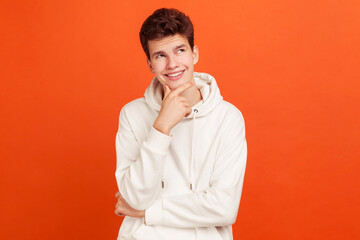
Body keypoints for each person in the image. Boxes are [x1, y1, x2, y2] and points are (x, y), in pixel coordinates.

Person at [114, 8, 247, 240]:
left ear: (194, 54)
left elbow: (224, 208)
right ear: (150, 64)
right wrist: (161, 127)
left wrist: (147, 213)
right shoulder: (132, 114)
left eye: (180, 50)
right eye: (160, 56)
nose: (172, 64)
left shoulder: (228, 118)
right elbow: (134, 198)